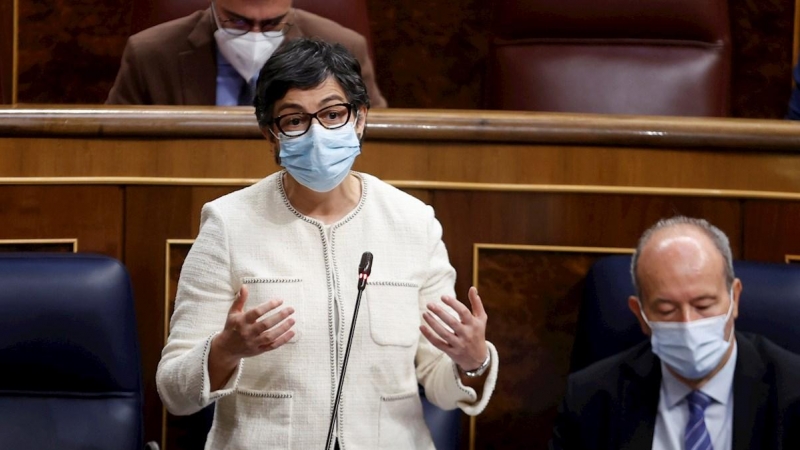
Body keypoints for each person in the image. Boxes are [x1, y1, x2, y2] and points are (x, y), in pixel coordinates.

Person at [156, 38, 497, 449]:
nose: (317, 133)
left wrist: (471, 362)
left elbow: (442, 385)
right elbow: (174, 393)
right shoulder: (229, 224)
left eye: (333, 114)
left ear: (360, 119)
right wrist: (226, 350)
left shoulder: (413, 223)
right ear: (271, 135)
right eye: (295, 120)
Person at [550, 216, 800, 449]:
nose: (688, 324)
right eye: (667, 310)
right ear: (641, 314)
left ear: (734, 299)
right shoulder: (590, 399)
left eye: (703, 305)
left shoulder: (792, 392)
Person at [106, 0, 386, 107]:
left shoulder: (345, 48)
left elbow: (380, 144)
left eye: (271, 24)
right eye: (237, 21)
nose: (254, 35)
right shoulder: (149, 54)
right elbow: (115, 151)